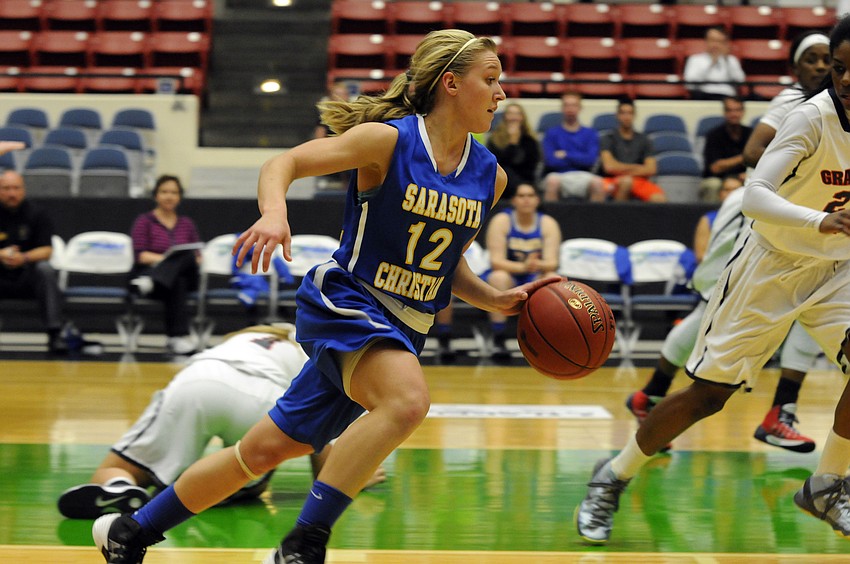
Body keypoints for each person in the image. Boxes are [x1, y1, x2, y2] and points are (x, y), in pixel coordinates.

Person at [93, 29, 557, 563]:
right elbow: (281, 164)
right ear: (451, 84)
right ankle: (302, 544)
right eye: (492, 80)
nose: (503, 94)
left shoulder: (490, 177)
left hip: (405, 326)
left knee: (261, 452)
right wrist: (274, 212)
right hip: (349, 302)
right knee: (407, 402)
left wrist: (496, 299)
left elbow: (445, 263)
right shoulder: (389, 141)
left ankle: (129, 532)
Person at [575, 16, 850, 544]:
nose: (846, 79)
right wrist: (818, 220)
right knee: (708, 395)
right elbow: (754, 194)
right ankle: (614, 474)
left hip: (836, 267)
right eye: (840, 68)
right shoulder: (811, 118)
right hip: (772, 263)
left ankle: (827, 482)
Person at [58, 324, 385, 520]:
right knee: (244, 476)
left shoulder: (238, 341)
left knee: (121, 465)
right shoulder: (310, 348)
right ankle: (206, 489)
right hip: (262, 395)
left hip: (200, 380)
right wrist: (354, 472)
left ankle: (119, 487)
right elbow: (318, 434)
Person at [626, 172, 819, 455]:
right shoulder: (751, 185)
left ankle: (781, 411)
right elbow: (757, 147)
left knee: (812, 307)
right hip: (768, 204)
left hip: (810, 217)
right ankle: (650, 396)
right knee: (709, 316)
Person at [0, 158, 94, 355]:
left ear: (23, 190)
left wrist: (23, 258)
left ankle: (54, 334)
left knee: (46, 269)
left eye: (16, 188)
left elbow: (47, 250)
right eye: (6, 188)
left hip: (27, 276)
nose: (11, 193)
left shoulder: (37, 213)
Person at [485, 182, 561, 359]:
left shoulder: (547, 223)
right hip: (510, 276)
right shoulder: (502, 221)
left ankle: (549, 339)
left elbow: (552, 262)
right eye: (521, 196)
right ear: (514, 200)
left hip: (534, 276)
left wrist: (536, 266)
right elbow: (496, 261)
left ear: (537, 200)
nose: (526, 200)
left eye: (530, 195)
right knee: (498, 277)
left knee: (552, 278)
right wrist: (523, 266)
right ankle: (499, 339)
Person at [129, 175, 202, 355]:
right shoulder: (144, 221)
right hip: (164, 281)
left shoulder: (187, 223)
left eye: (174, 192)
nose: (169, 196)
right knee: (178, 281)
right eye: (164, 192)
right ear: (156, 195)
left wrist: (174, 260)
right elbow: (141, 255)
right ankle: (176, 338)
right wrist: (167, 260)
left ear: (179, 197)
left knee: (185, 257)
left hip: (162, 279)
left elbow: (197, 256)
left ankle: (154, 279)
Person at [743, 30, 831, 168]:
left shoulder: (839, 98)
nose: (820, 67)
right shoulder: (789, 99)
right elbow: (752, 153)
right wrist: (807, 167)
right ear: (796, 68)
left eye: (827, 61)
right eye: (811, 60)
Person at [540, 91, 606, 202]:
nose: (570, 109)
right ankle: (550, 219)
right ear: (562, 108)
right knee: (552, 182)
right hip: (558, 175)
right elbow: (551, 161)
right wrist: (579, 157)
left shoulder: (590, 133)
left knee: (598, 183)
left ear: (580, 108)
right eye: (567, 105)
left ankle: (596, 219)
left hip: (584, 175)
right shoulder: (551, 133)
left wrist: (565, 154)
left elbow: (590, 160)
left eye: (574, 105)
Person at [598, 99, 666, 203]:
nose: (626, 117)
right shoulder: (608, 138)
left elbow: (651, 169)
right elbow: (609, 167)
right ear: (617, 115)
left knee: (659, 199)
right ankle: (619, 219)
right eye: (623, 113)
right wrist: (636, 167)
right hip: (612, 180)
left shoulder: (644, 139)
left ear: (634, 115)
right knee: (626, 182)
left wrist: (621, 168)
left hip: (639, 181)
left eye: (630, 113)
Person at [700, 96, 751, 203]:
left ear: (743, 112)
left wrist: (750, 175)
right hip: (719, 178)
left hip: (744, 177)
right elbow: (715, 168)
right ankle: (712, 218)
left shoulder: (751, 134)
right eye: (730, 110)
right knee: (712, 185)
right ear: (724, 112)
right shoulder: (714, 135)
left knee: (756, 182)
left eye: (737, 110)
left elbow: (759, 161)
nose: (734, 114)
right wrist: (745, 157)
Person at [486, 102, 540, 200]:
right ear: (505, 117)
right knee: (506, 172)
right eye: (510, 114)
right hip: (501, 181)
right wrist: (512, 143)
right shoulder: (495, 139)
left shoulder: (530, 140)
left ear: (522, 118)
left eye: (517, 114)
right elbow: (496, 164)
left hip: (525, 181)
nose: (513, 118)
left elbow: (531, 166)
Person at [683, 26, 746, 100]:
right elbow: (689, 85)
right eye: (712, 40)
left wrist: (726, 60)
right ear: (706, 41)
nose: (715, 45)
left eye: (719, 41)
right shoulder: (695, 59)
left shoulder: (731, 60)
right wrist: (711, 62)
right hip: (704, 95)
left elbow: (740, 81)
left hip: (727, 96)